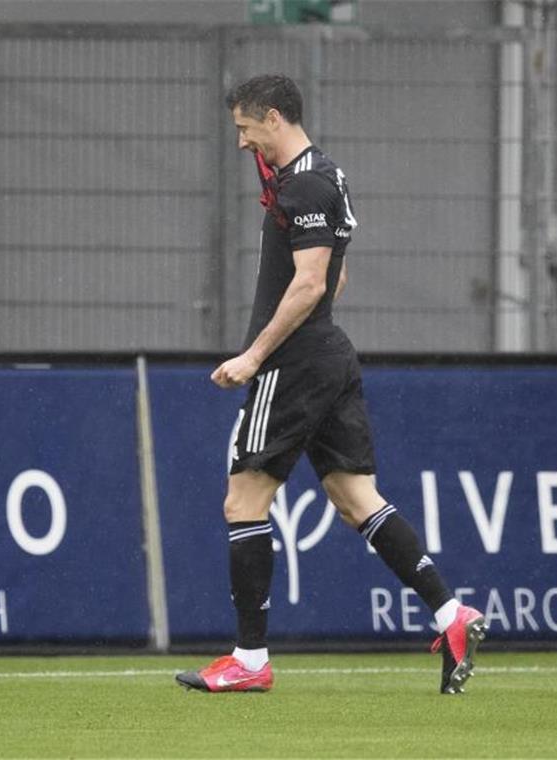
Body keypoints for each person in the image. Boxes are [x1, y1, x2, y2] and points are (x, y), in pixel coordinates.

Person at [176, 75, 486, 694]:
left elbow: (315, 282)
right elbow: (333, 278)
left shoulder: (308, 184)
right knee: (355, 499)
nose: (241, 142)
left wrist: (254, 355)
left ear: (271, 117)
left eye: (244, 128)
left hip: (293, 362)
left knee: (243, 503)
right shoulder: (326, 176)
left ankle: (251, 660)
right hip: (329, 356)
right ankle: (453, 614)